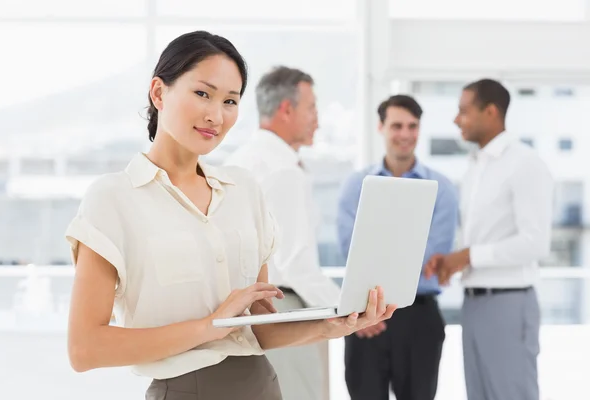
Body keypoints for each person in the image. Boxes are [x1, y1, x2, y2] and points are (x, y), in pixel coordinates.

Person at [64, 31, 396, 400]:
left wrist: (333, 325)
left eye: (230, 101)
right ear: (159, 93)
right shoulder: (113, 198)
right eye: (202, 94)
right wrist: (210, 326)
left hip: (263, 385)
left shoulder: (244, 190)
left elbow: (260, 329)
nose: (215, 115)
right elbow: (84, 349)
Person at [425, 79, 553, 400]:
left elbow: (536, 242)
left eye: (464, 111)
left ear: (491, 111)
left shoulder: (525, 163)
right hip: (474, 303)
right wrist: (453, 259)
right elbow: (483, 235)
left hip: (509, 304)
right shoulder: (476, 167)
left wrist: (467, 256)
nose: (456, 120)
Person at [225, 66, 340, 400]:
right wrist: (348, 311)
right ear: (286, 109)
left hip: (248, 312)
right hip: (285, 309)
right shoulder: (282, 170)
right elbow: (296, 264)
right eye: (312, 108)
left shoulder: (241, 160)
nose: (317, 119)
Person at [338, 95, 459, 400]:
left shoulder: (442, 189)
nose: (405, 134)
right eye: (396, 125)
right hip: (366, 315)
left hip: (419, 315)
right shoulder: (357, 185)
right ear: (381, 127)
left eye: (412, 126)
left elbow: (433, 253)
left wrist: (379, 252)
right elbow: (350, 249)